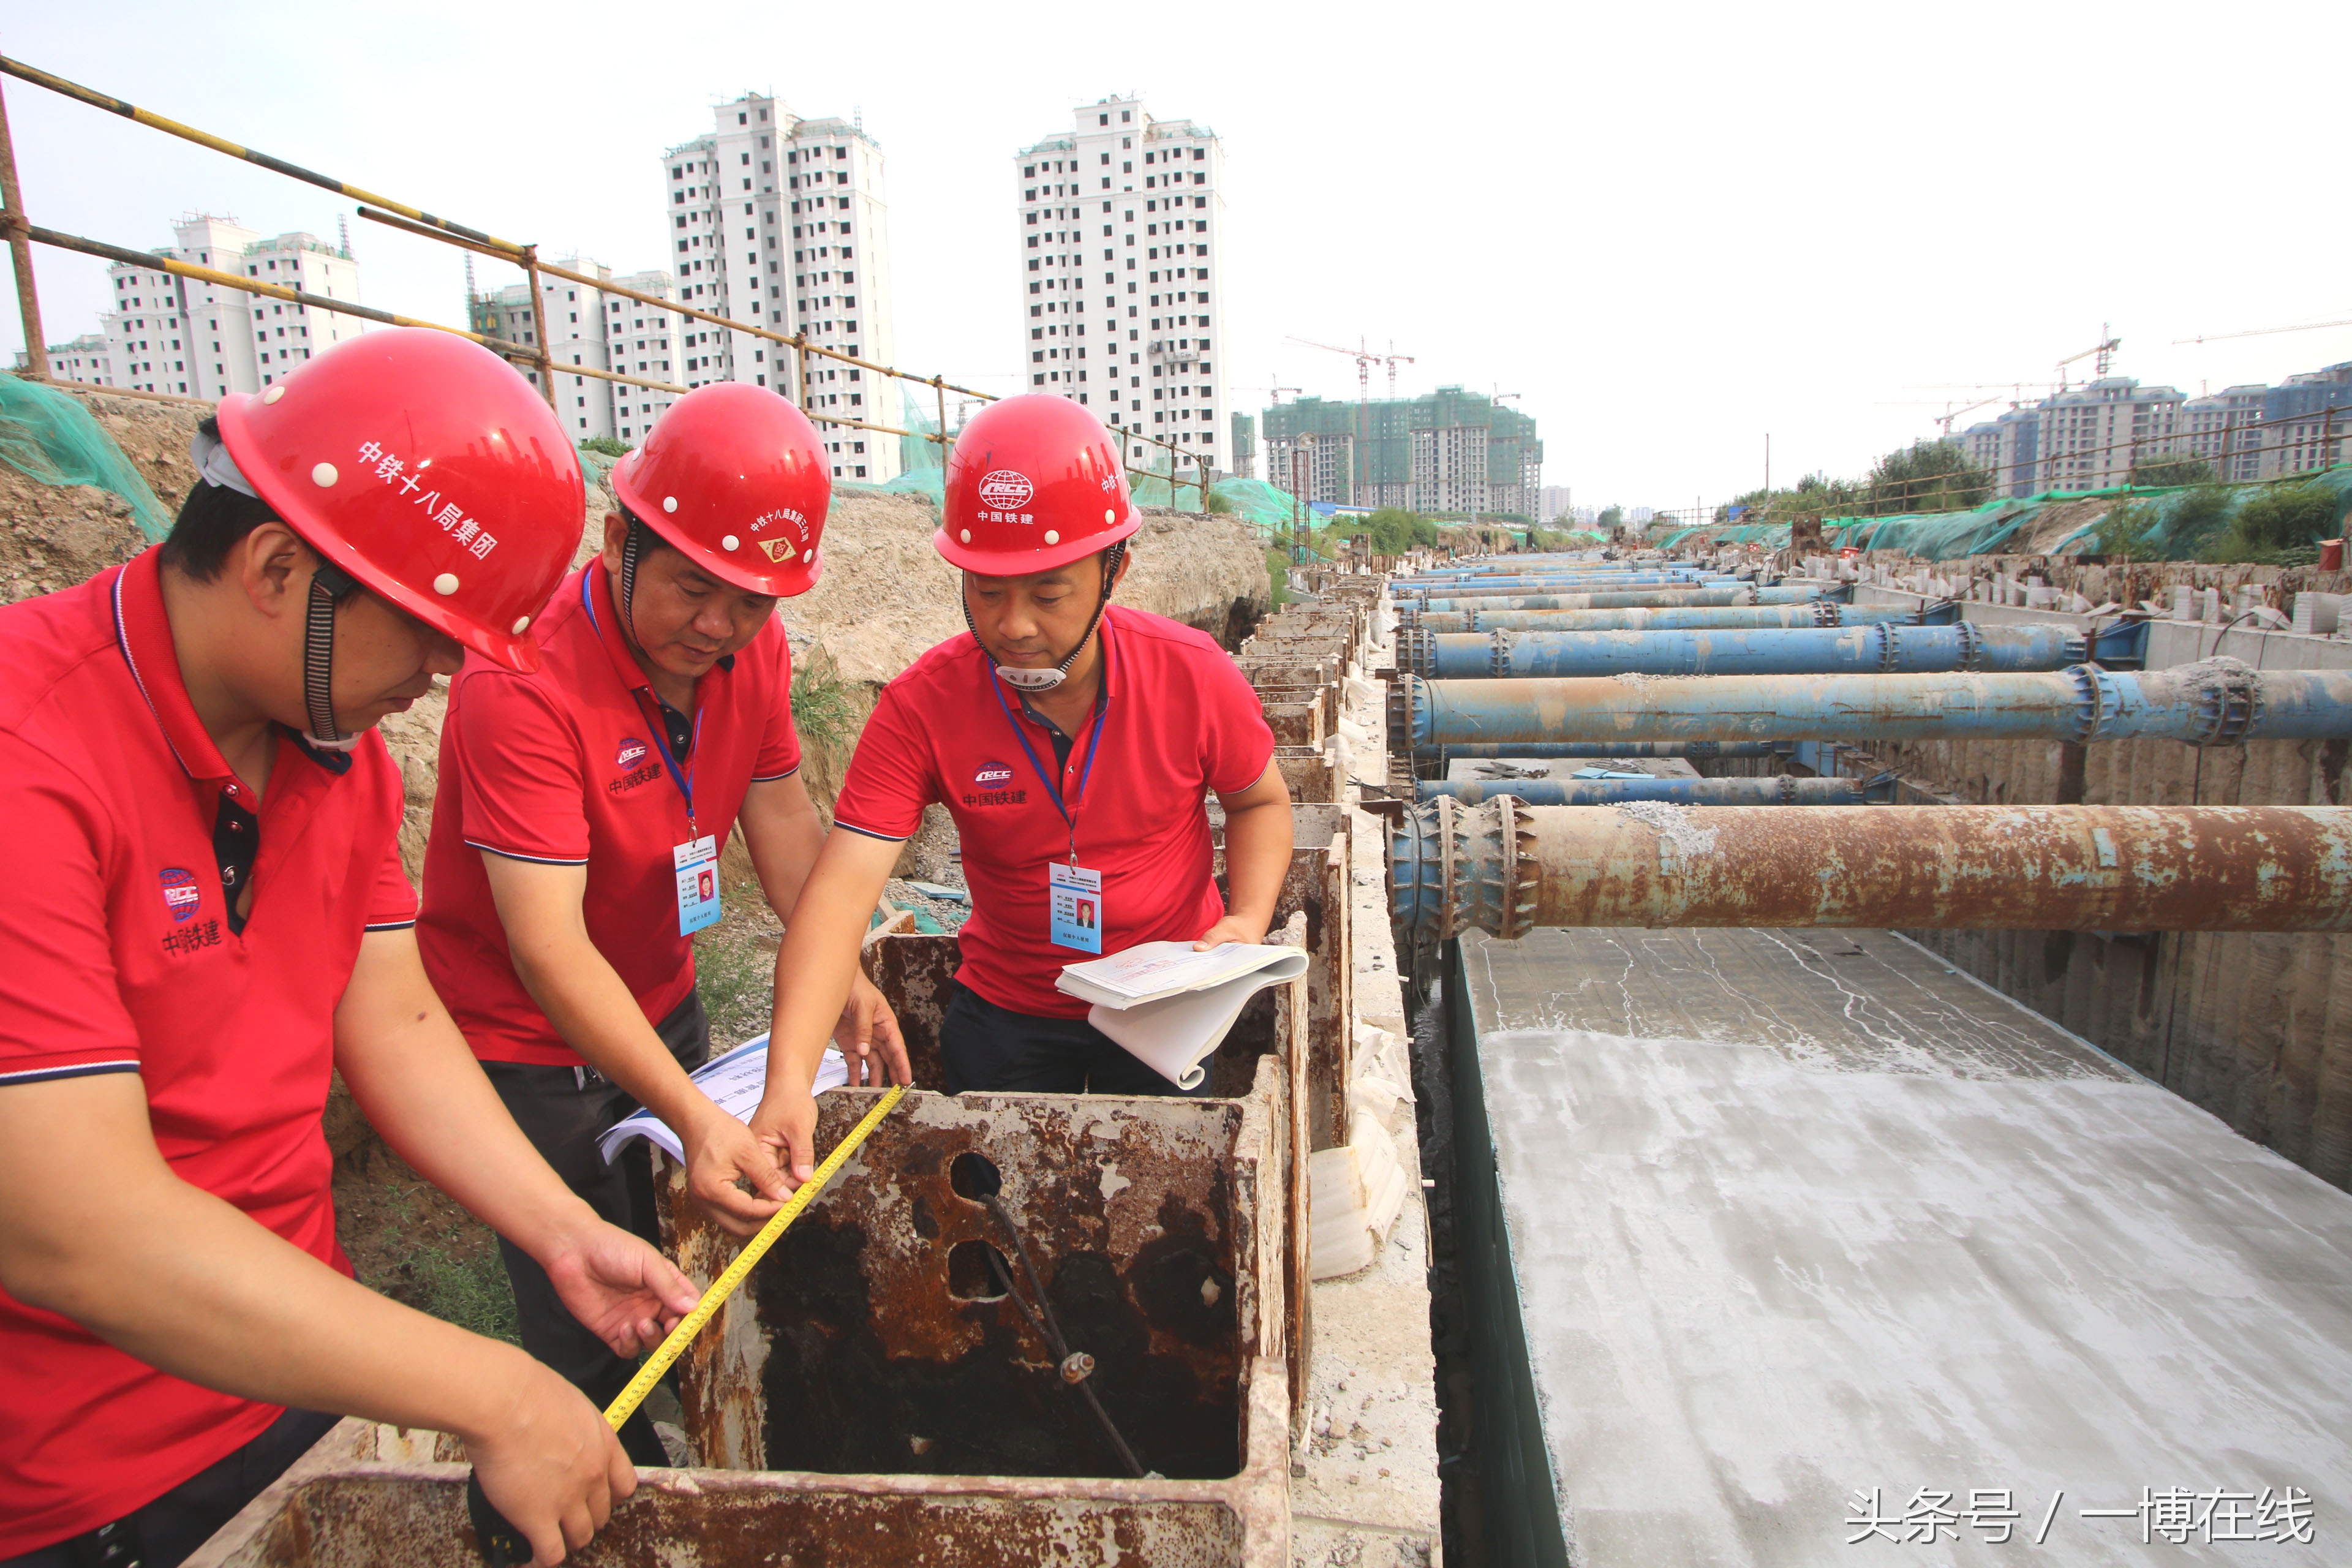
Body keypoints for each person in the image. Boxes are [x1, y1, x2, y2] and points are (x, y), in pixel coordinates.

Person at [0, 330, 698, 1568]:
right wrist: (494, 1387)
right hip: (81, 1478)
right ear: (277, 565)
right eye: (430, 634)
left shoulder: (341, 758)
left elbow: (396, 1017)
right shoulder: (31, 752)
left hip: (291, 1373)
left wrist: (555, 1225)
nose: (438, 676)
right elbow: (71, 1221)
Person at [415, 382, 906, 1467]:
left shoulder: (747, 654)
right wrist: (691, 1114)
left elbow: (781, 819)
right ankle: (606, 1474)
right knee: (586, 1305)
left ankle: (692, 1431)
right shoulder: (523, 682)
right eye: (694, 589)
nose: (720, 626)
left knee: (687, 1247)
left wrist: (845, 974)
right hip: (527, 1041)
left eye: (753, 603)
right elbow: (545, 949)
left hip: (658, 992)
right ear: (618, 539)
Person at [745, 394, 1292, 1167]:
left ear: (1115, 570)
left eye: (1048, 593)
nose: (1015, 625)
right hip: (1007, 1011)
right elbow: (838, 895)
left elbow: (1259, 801)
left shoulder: (1192, 675)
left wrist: (1247, 917)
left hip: (1164, 1006)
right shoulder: (923, 706)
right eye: (987, 590)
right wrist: (789, 1084)